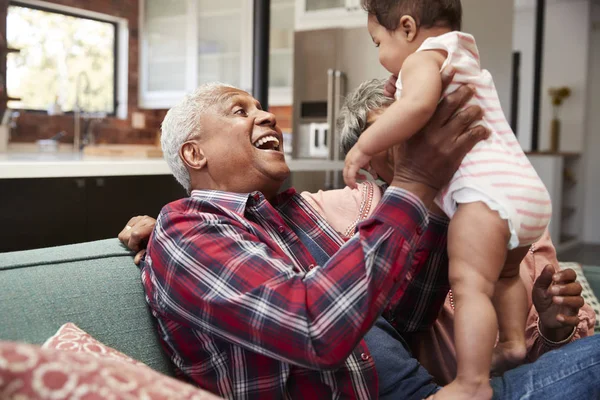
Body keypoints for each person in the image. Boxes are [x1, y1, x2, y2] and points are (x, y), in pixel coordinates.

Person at [120, 78, 600, 400]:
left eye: (263, 107)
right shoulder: (186, 229)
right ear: (194, 153)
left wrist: (430, 201)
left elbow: (404, 319)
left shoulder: (293, 217)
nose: (266, 117)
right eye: (240, 111)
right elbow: (312, 328)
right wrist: (414, 184)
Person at [343, 1, 552, 398]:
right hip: (524, 189)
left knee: (470, 284)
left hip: (485, 195)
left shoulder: (422, 60)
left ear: (407, 28)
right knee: (506, 274)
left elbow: (417, 106)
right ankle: (511, 342)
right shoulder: (463, 53)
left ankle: (472, 383)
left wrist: (364, 146)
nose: (380, 55)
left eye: (377, 42)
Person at [336, 78, 596, 386]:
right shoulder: (363, 222)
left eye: (412, 121)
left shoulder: (501, 209)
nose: (407, 136)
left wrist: (554, 329)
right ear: (369, 165)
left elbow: (549, 361)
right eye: (387, 129)